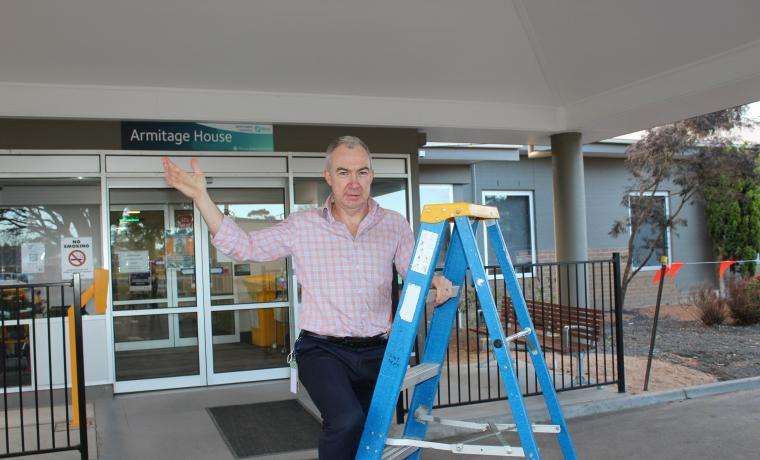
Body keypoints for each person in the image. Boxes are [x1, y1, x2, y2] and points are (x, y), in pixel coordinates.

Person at [162, 136, 454, 459]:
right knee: (345, 421)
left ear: (372, 175)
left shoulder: (395, 226)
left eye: (362, 172)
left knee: (370, 433)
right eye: (343, 172)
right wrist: (202, 198)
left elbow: (416, 275)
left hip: (377, 352)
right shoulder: (303, 227)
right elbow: (245, 246)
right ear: (328, 176)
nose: (353, 182)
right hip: (322, 350)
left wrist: (437, 282)